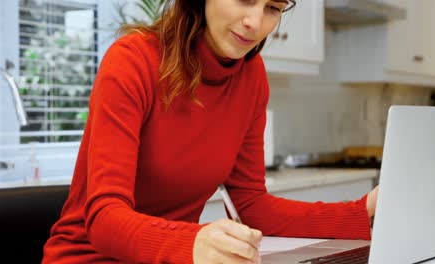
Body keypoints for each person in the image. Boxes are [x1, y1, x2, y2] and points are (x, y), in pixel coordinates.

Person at [42, 0, 380, 263]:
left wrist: (360, 210)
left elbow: (252, 205)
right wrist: (191, 242)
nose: (256, 23)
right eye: (244, 0)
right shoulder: (132, 61)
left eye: (273, 8)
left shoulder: (251, 78)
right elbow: (104, 219)